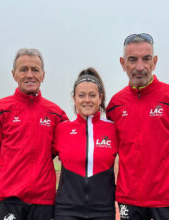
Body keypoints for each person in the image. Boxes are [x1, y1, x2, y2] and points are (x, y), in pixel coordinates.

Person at [106, 33, 169, 220]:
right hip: (129, 199)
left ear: (155, 61)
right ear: (122, 63)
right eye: (132, 60)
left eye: (146, 59)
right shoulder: (115, 105)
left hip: (166, 201)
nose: (139, 67)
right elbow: (105, 152)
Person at [0, 48, 68, 220]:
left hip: (43, 201)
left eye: (35, 69)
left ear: (43, 74)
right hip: (8, 199)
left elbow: (70, 150)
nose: (29, 74)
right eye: (23, 69)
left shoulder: (55, 114)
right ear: (14, 74)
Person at [53, 68, 118, 220]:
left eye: (92, 95)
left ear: (100, 98)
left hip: (103, 210)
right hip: (66, 210)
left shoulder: (113, 129)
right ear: (74, 98)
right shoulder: (62, 129)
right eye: (81, 95)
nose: (87, 100)